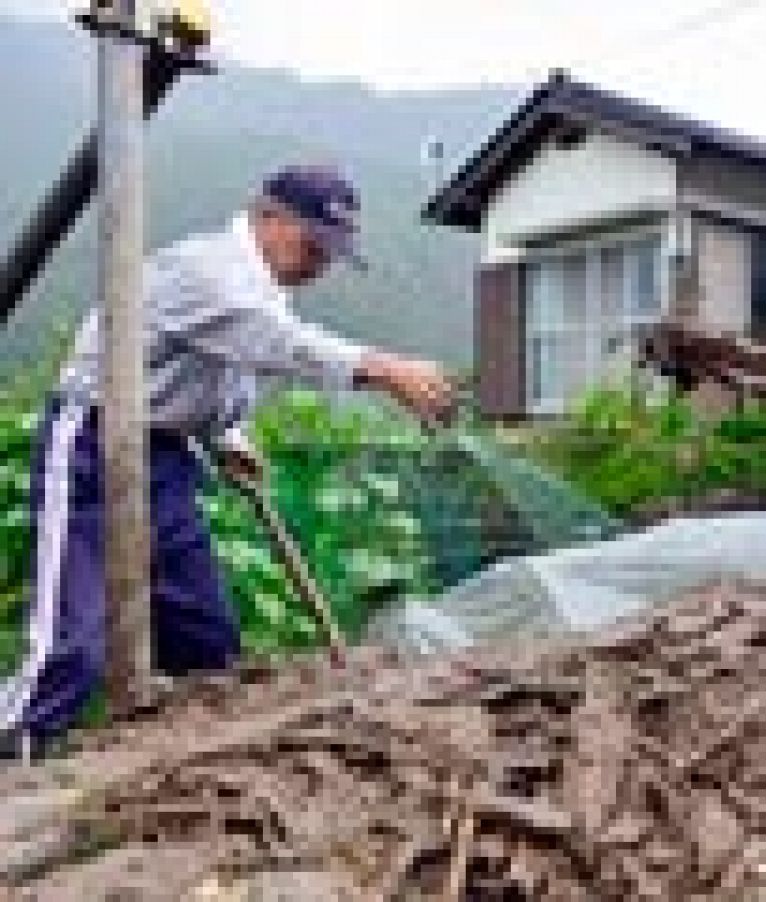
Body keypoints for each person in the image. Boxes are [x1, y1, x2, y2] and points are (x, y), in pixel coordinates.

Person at [0, 165, 454, 759]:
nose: (318, 261)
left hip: (167, 455)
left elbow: (217, 372)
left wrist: (230, 436)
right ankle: (15, 752)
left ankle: (180, 773)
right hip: (92, 440)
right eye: (311, 243)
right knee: (72, 642)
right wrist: (386, 367)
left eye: (328, 251)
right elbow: (271, 341)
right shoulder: (209, 271)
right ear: (268, 217)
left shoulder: (263, 290)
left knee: (205, 638)